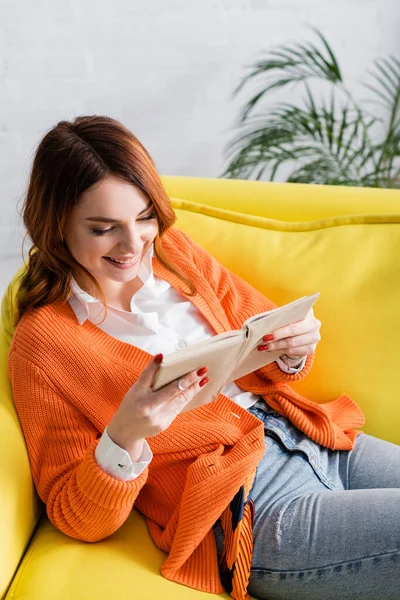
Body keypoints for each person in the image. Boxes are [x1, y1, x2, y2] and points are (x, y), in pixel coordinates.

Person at [7, 115, 400, 600]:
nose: (134, 245)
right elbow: (75, 513)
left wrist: (295, 349)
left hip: (314, 438)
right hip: (253, 506)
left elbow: (264, 334)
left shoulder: (175, 253)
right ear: (57, 226)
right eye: (104, 229)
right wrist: (125, 435)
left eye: (144, 217)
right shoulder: (43, 345)